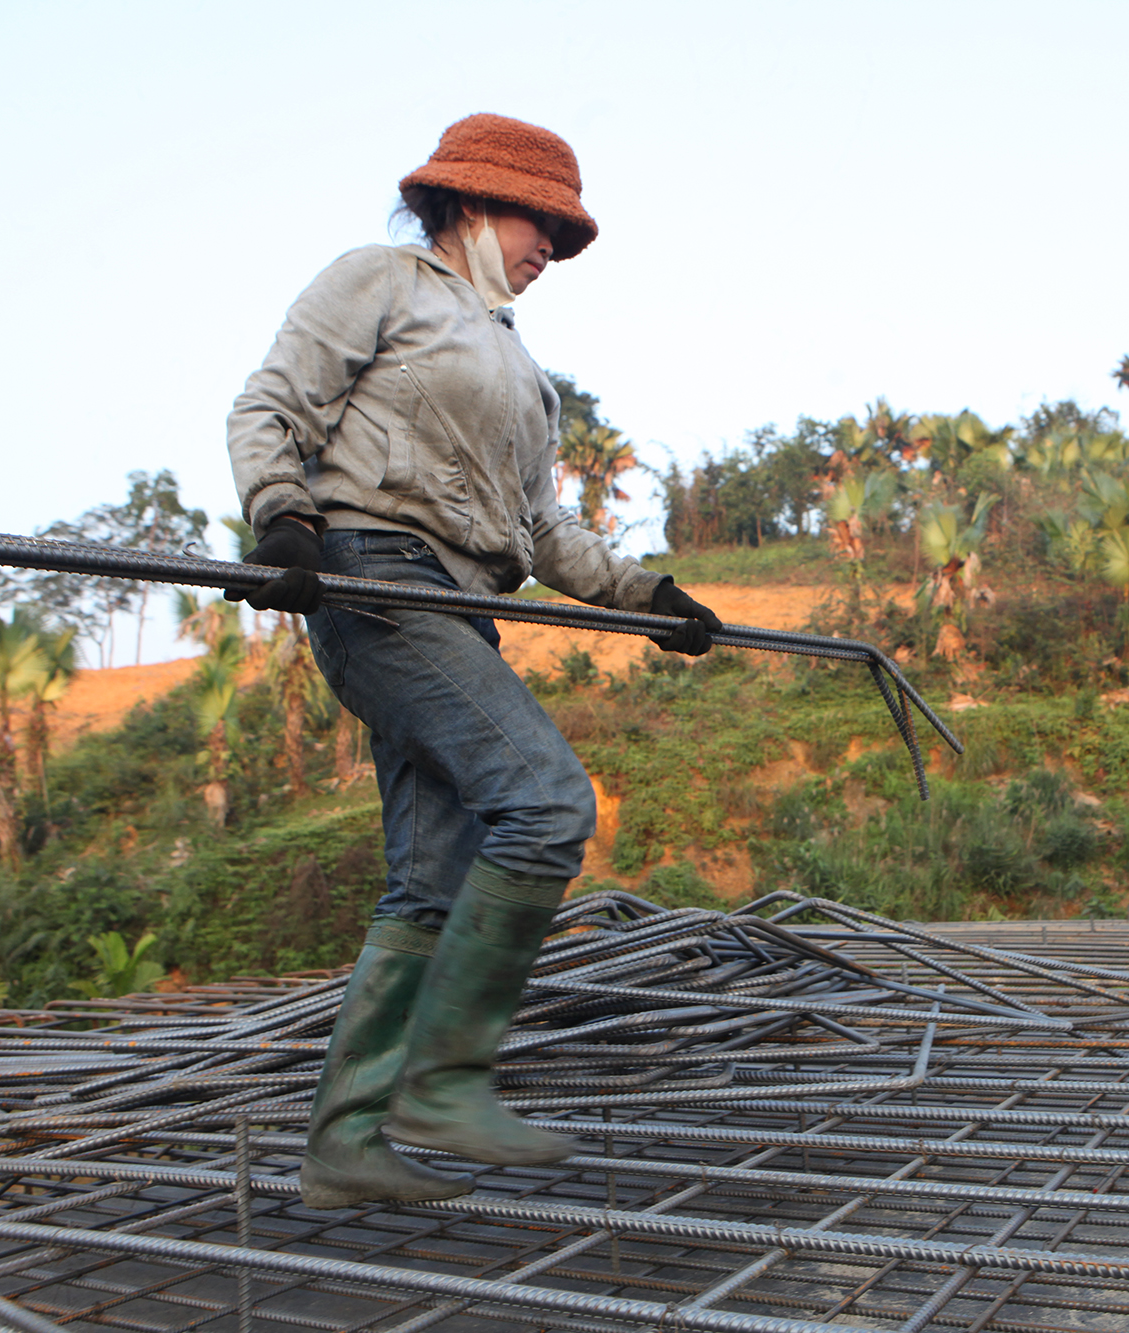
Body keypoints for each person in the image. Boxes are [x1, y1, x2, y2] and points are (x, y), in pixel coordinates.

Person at [224, 114, 724, 1209]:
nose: (551, 247)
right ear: (468, 204)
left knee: (431, 880)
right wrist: (284, 520)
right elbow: (272, 404)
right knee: (546, 801)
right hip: (375, 578)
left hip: (459, 603)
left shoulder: (523, 371)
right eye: (538, 221)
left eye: (561, 232)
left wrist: (647, 597)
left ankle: (344, 1144)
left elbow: (541, 531)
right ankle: (444, 1082)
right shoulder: (381, 281)